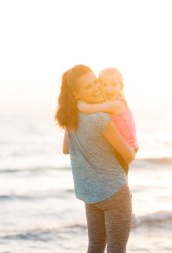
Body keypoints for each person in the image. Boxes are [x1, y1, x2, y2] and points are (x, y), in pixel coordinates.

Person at [55, 64, 135, 253]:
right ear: (76, 94)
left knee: (95, 247)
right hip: (115, 192)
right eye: (88, 87)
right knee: (116, 248)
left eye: (95, 83)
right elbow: (128, 155)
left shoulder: (71, 117)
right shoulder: (100, 118)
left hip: (91, 195)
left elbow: (66, 149)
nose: (96, 88)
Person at [77, 67, 140, 228]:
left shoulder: (118, 104)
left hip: (126, 148)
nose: (109, 88)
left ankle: (129, 216)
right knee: (121, 182)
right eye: (104, 84)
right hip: (121, 147)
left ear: (121, 86)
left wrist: (79, 102)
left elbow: (89, 109)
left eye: (113, 84)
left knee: (121, 185)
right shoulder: (110, 103)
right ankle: (123, 214)